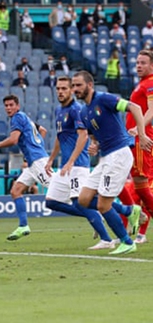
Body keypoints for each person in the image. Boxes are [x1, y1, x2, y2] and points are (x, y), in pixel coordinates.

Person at [44, 76, 132, 250]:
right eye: (58, 89)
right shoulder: (59, 111)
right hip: (66, 166)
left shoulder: (78, 109)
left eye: (65, 88)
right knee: (51, 201)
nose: (61, 92)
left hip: (77, 165)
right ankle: (124, 211)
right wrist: (51, 159)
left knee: (83, 202)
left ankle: (108, 238)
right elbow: (60, 137)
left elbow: (83, 135)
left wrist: (71, 161)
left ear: (71, 90)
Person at [73, 70, 153, 255]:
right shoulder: (84, 111)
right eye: (74, 86)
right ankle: (129, 210)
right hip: (106, 157)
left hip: (119, 155)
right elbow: (95, 135)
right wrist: (94, 145)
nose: (75, 89)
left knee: (103, 204)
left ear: (90, 85)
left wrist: (141, 134)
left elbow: (135, 108)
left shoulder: (104, 98)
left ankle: (127, 241)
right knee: (83, 199)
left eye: (79, 85)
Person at [0, 95, 50, 240]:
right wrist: (36, 145)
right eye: (6, 105)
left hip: (38, 162)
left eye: (11, 105)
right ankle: (23, 226)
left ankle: (94, 213)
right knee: (15, 190)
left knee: (61, 193)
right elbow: (43, 131)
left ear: (17, 106)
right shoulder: (25, 117)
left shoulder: (17, 118)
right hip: (33, 162)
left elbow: (13, 140)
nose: (8, 108)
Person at [124, 50, 153, 241]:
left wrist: (139, 129)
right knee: (140, 187)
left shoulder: (150, 83)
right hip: (133, 140)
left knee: (143, 187)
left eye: (143, 62)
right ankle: (138, 231)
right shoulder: (142, 84)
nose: (139, 66)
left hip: (141, 140)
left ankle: (136, 229)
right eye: (137, 63)